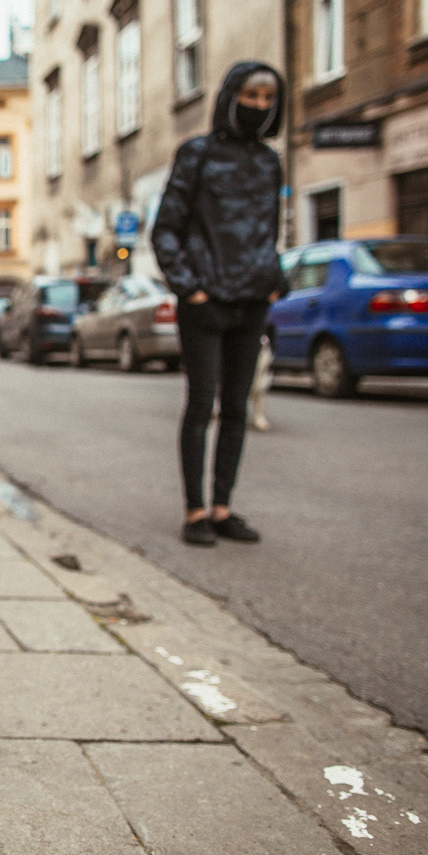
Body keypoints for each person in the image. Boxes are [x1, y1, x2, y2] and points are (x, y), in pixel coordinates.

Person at [150, 61, 288, 546]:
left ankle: (224, 506)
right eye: (250, 96)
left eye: (268, 98)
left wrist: (275, 278)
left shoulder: (271, 162)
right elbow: (165, 229)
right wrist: (192, 288)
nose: (259, 106)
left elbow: (271, 230)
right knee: (200, 406)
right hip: (205, 303)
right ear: (231, 96)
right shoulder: (197, 155)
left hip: (253, 301)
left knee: (237, 408)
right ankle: (195, 511)